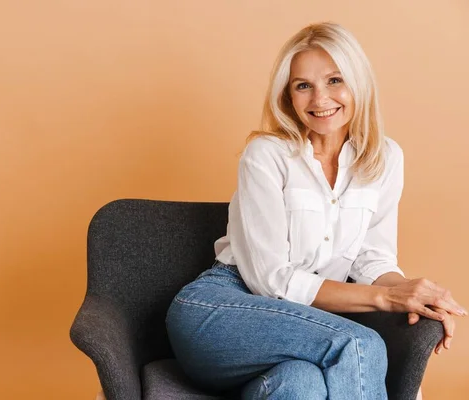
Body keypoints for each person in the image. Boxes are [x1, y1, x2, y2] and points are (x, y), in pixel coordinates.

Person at [165, 22, 466, 400]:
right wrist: (384, 299)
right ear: (288, 96)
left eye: (335, 80)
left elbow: (372, 260)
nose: (320, 99)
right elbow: (270, 281)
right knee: (359, 344)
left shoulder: (385, 158)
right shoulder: (267, 155)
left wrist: (412, 291)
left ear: (359, 83)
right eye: (303, 85)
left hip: (303, 333)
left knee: (299, 384)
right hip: (223, 308)